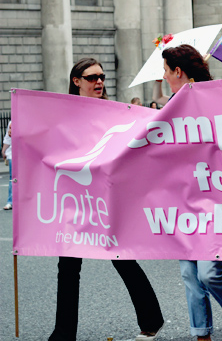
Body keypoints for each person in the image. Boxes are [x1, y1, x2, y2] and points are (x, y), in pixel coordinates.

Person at [50, 58, 164, 341]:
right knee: (68, 267)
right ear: (76, 81)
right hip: (74, 201)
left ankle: (151, 319)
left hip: (105, 199)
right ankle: (63, 333)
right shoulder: (63, 114)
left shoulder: (115, 113)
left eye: (101, 76)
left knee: (122, 258)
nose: (99, 82)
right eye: (91, 78)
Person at [154, 45, 222, 341]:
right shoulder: (169, 107)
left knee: (208, 272)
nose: (163, 76)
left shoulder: (213, 98)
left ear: (177, 71)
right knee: (190, 275)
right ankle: (202, 335)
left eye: (165, 70)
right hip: (183, 200)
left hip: (217, 198)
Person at [2, 121, 12, 210]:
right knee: (13, 178)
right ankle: (10, 201)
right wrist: (4, 150)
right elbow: (8, 139)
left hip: (26, 154)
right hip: (13, 154)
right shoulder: (12, 123)